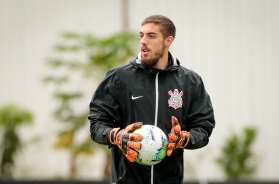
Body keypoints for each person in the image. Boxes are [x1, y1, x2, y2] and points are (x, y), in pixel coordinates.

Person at [88, 15, 215, 184]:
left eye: (151, 36)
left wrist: (183, 139)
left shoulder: (190, 81)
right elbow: (97, 125)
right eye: (142, 35)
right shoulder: (118, 78)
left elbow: (203, 128)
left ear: (168, 40)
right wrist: (116, 135)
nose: (143, 41)